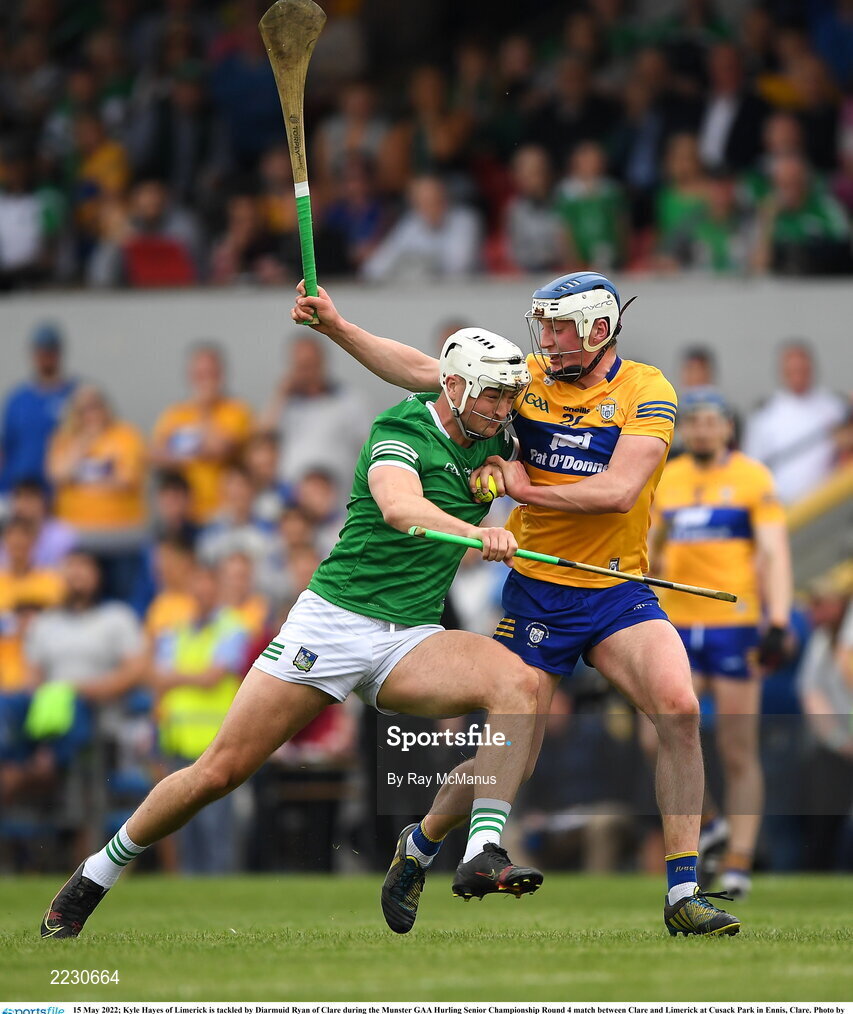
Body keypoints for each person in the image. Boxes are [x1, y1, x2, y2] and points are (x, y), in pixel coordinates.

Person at [41, 327, 544, 939]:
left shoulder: (495, 431)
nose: (502, 407)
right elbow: (399, 508)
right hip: (334, 622)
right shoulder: (402, 431)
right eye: (492, 395)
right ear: (457, 386)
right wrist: (479, 532)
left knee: (520, 686)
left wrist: (334, 323)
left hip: (411, 636)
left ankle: (467, 851)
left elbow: (417, 363)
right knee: (218, 773)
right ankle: (96, 873)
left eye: (507, 395)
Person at [291, 270, 741, 937]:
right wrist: (339, 327)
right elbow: (425, 368)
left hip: (616, 589)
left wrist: (521, 490)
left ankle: (682, 893)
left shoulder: (647, 390)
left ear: (595, 329)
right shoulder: (524, 377)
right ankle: (420, 846)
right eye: (544, 326)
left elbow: (619, 492)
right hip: (538, 592)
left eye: (558, 328)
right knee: (510, 754)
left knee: (678, 708)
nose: (546, 339)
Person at [647, 388, 792, 899]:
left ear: (728, 427)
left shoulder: (753, 478)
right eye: (694, 421)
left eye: (712, 420)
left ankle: (738, 864)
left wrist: (777, 619)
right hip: (678, 626)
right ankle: (709, 825)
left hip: (734, 625)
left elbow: (773, 552)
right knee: (656, 736)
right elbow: (649, 549)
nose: (703, 429)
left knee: (736, 748)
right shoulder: (668, 478)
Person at [150, 343, 253, 524]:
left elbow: (221, 449)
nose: (205, 380)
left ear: (221, 375)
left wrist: (204, 410)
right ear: (190, 376)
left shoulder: (237, 410)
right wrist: (191, 453)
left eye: (211, 374)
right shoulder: (175, 414)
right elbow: (154, 455)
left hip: (223, 513)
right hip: (185, 513)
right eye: (200, 374)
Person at [742, 341, 848, 505]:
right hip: (782, 507)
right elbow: (752, 467)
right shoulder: (765, 414)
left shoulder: (834, 406)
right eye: (792, 370)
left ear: (811, 369)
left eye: (802, 369)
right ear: (782, 372)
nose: (798, 374)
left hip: (828, 506)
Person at [0, 322, 77, 498]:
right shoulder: (17, 398)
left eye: (50, 351)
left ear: (59, 353)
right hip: (17, 488)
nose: (46, 357)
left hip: (60, 491)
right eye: (41, 352)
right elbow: (6, 446)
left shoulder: (76, 395)